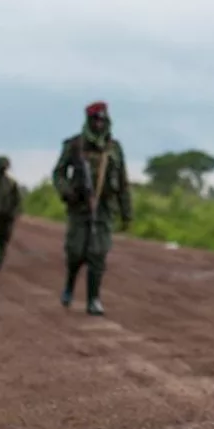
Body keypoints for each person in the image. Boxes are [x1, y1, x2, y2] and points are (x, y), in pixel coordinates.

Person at [52, 101, 132, 315]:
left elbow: (123, 181)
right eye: (95, 120)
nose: (99, 124)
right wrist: (67, 191)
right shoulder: (75, 145)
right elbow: (58, 173)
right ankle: (69, 285)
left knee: (98, 252)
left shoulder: (114, 149)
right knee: (76, 251)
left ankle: (93, 299)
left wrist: (126, 213)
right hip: (79, 206)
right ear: (88, 121)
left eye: (102, 120)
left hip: (105, 207)